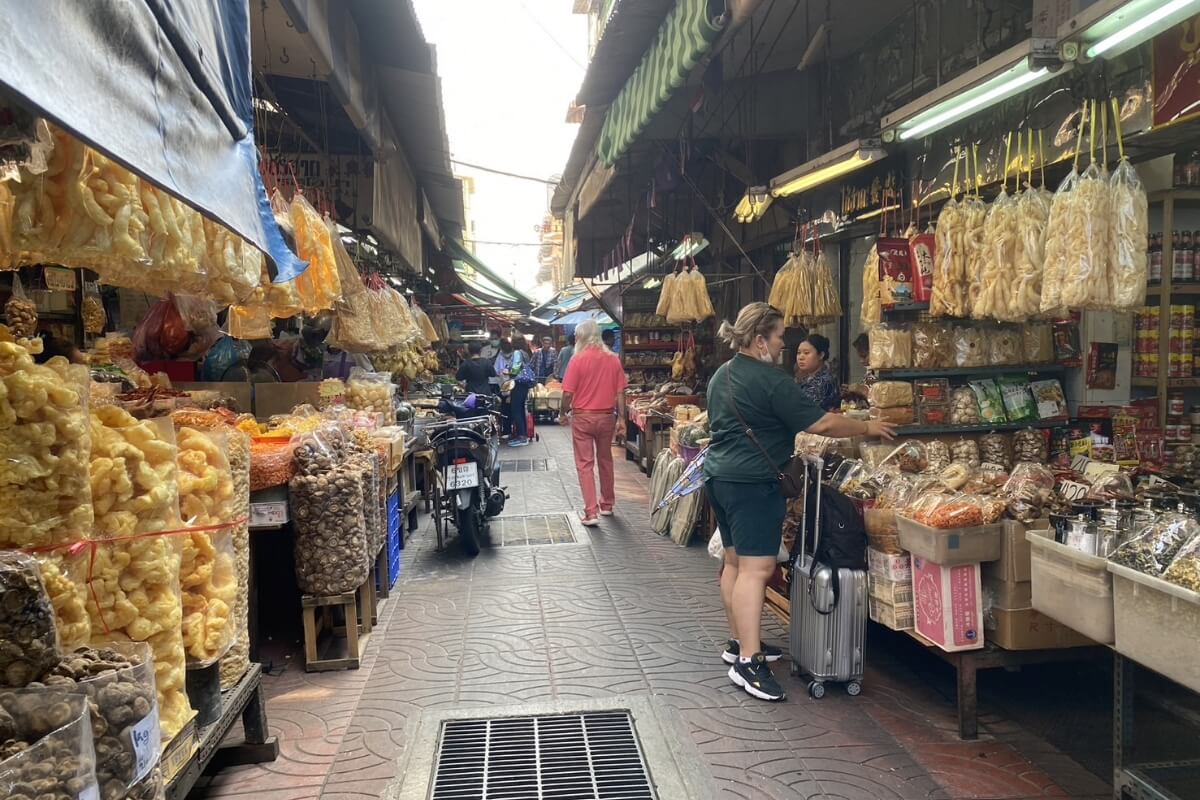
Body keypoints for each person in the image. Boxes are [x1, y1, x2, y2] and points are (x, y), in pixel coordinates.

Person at [705, 303, 895, 702]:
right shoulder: (771, 380)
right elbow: (821, 423)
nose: (782, 346)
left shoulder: (721, 376)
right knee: (757, 571)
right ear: (760, 340)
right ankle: (750, 662)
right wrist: (868, 427)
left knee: (735, 563)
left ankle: (739, 642)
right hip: (754, 484)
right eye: (778, 338)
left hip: (720, 478)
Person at [560, 319, 627, 526]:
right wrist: (622, 418)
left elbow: (567, 393)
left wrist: (562, 412)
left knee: (585, 464)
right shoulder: (613, 359)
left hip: (582, 417)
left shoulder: (577, 360)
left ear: (581, 337)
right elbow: (620, 392)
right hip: (607, 416)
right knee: (606, 459)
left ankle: (591, 513)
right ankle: (607, 504)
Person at [794, 333, 840, 411]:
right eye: (799, 353)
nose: (801, 357)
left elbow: (804, 409)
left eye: (806, 353)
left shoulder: (825, 381)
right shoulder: (807, 378)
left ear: (821, 355)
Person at [505, 337, 535, 447]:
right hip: (524, 385)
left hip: (518, 384)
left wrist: (507, 371)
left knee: (516, 409)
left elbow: (516, 368)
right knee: (521, 409)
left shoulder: (517, 352)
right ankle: (523, 435)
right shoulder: (526, 353)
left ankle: (522, 436)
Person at [481, 329, 502, 393]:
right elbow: (481, 362)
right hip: (487, 381)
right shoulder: (484, 349)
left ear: (499, 338)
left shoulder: (504, 349)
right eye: (492, 339)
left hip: (500, 381)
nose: (493, 340)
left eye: (495, 338)